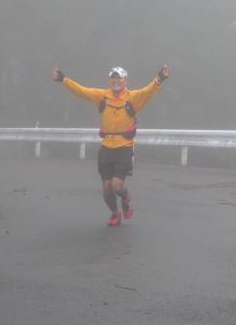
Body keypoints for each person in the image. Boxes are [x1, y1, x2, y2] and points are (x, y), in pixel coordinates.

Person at [52, 64, 169, 226]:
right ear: (109, 80)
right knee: (107, 187)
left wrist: (160, 78)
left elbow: (148, 91)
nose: (116, 81)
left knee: (117, 186)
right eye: (113, 78)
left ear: (125, 80)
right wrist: (63, 79)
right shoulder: (102, 96)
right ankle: (115, 213)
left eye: (119, 78)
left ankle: (126, 198)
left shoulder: (132, 97)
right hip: (107, 146)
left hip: (125, 146)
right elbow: (81, 91)